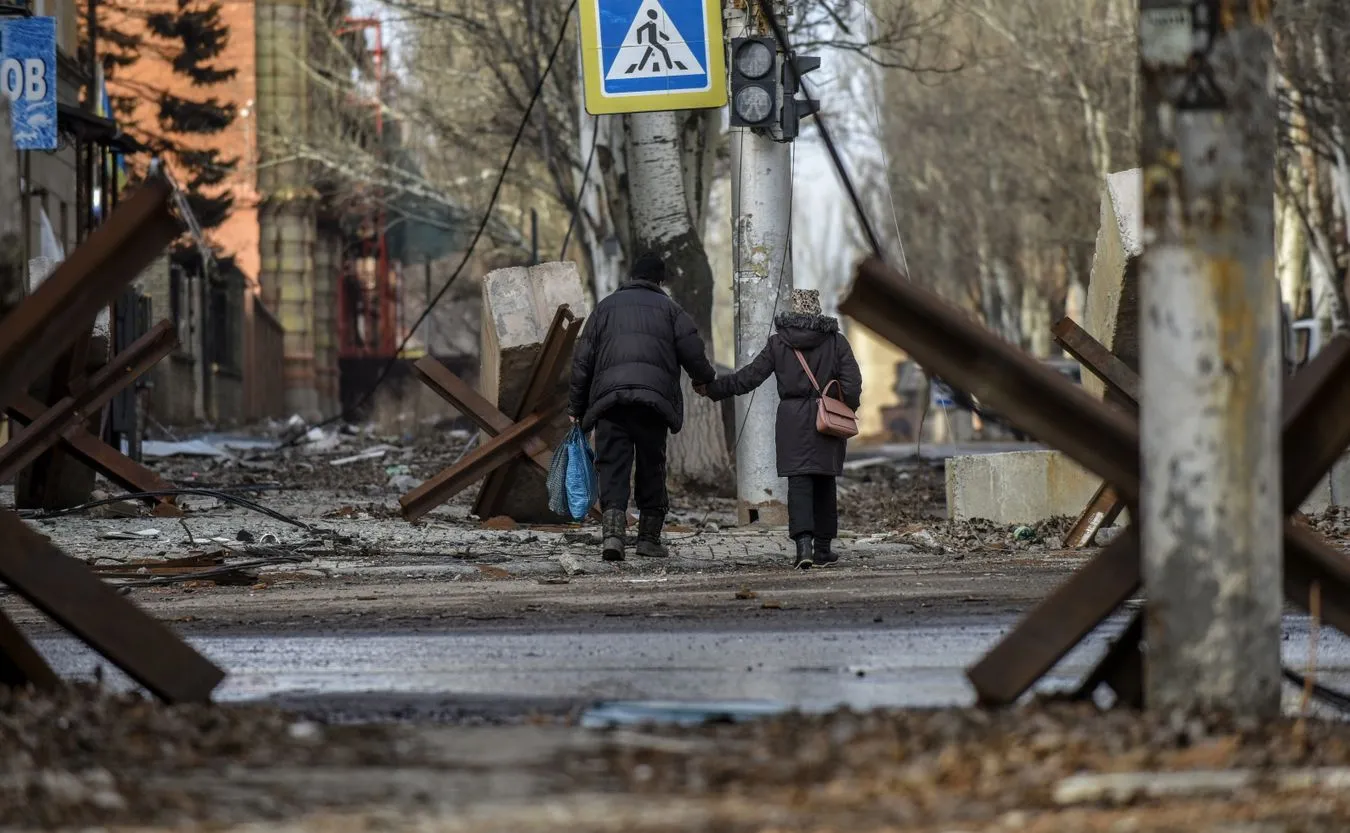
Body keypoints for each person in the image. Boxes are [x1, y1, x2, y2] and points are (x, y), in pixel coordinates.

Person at [568, 253, 717, 562]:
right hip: (653, 403)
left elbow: (582, 361)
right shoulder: (671, 310)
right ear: (659, 280)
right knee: (652, 465)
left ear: (631, 276)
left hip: (610, 402)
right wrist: (704, 380)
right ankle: (648, 539)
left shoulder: (604, 309)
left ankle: (613, 537)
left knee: (612, 465)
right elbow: (693, 350)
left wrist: (576, 406)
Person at [705, 289, 862, 569]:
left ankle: (803, 547)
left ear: (793, 311)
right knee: (825, 482)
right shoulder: (836, 342)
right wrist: (846, 406)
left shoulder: (779, 344)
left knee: (799, 483)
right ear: (816, 310)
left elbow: (748, 378)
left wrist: (715, 389)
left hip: (791, 420)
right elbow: (852, 383)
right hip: (827, 418)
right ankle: (824, 548)